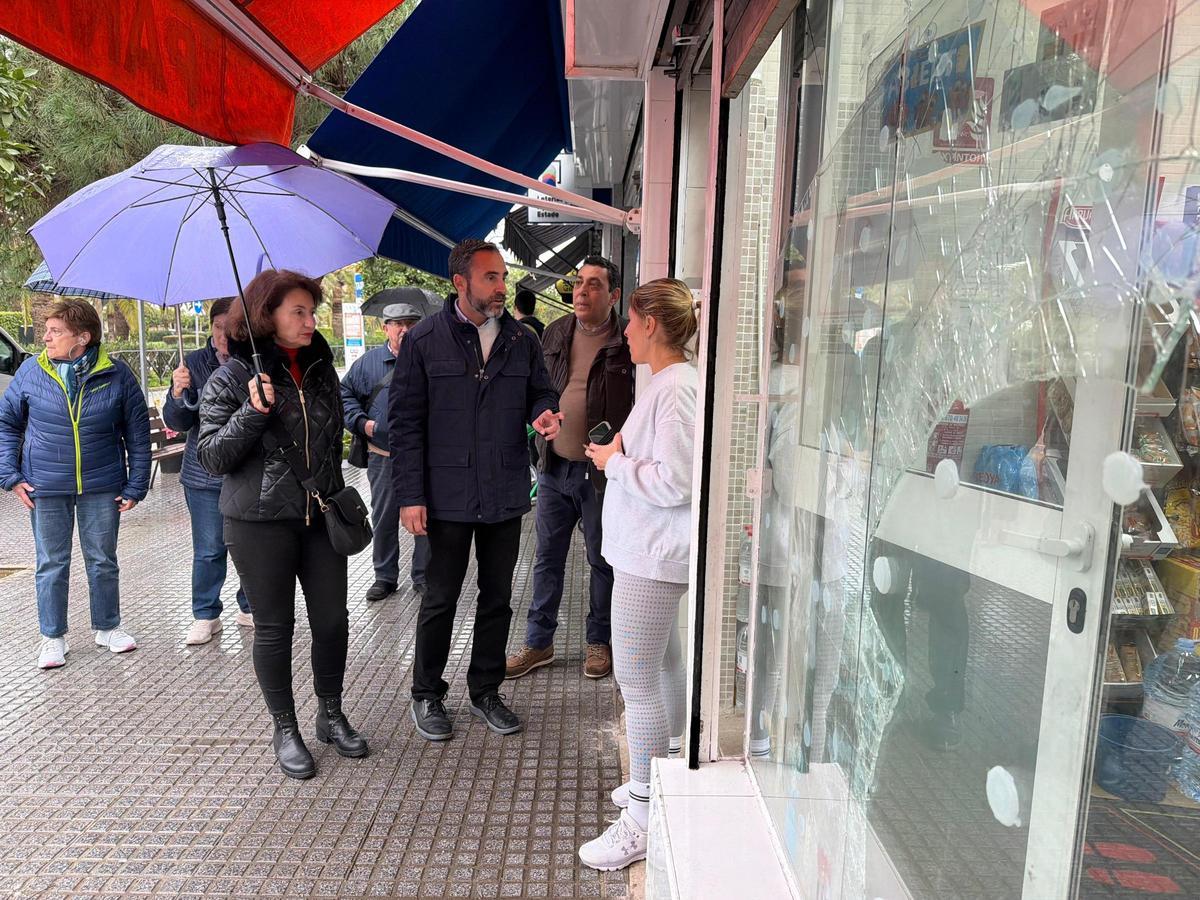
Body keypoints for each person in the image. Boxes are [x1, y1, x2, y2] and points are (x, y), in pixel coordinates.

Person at [197, 269, 367, 779]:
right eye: (299, 312)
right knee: (275, 628)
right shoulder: (230, 376)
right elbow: (210, 456)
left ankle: (330, 714)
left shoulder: (320, 366)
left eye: (313, 312)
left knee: (333, 621)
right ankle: (285, 726)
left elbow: (332, 438)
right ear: (266, 315)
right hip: (259, 522)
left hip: (319, 515)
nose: (311, 321)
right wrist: (252, 410)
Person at [390, 239, 561, 742]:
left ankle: (486, 690)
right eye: (490, 277)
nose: (501, 287)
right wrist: (410, 495)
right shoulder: (424, 341)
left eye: (503, 277)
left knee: (498, 596)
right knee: (440, 597)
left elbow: (542, 390)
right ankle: (426, 694)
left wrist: (543, 411)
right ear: (459, 282)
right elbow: (405, 425)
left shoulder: (521, 340)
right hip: (443, 497)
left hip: (505, 489)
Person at [579, 278, 699, 871]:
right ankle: (665, 772)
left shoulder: (675, 389)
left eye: (630, 319)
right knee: (663, 664)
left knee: (636, 678)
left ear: (651, 322)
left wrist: (615, 463)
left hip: (651, 556)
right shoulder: (673, 384)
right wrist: (615, 458)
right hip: (651, 552)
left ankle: (646, 814)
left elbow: (677, 480)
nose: (624, 330)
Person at [0, 299, 150, 669]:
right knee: (51, 563)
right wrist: (11, 476)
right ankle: (52, 637)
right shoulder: (31, 372)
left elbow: (138, 434)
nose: (45, 337)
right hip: (45, 486)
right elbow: (7, 424)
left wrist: (136, 486)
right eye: (46, 330)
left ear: (82, 337)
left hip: (101, 483)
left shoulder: (117, 374)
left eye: (55, 331)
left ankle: (108, 627)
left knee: (102, 560)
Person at [506, 256, 633, 681]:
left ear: (613, 295)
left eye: (594, 284)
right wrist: (537, 416)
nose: (582, 291)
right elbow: (536, 389)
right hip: (555, 467)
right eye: (579, 282)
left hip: (602, 476)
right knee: (547, 559)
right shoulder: (557, 332)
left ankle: (599, 641)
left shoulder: (627, 341)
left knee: (601, 559)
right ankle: (538, 643)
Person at [164, 298, 253, 645]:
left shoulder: (254, 360)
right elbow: (177, 421)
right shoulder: (193, 363)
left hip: (245, 469)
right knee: (209, 548)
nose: (222, 335)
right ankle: (205, 613)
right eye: (217, 327)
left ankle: (249, 605)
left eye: (229, 328)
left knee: (248, 545)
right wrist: (177, 391)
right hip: (203, 473)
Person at [341, 301, 429, 603]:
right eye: (397, 323)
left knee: (426, 516)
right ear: (385, 328)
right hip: (384, 455)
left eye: (411, 322)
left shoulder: (431, 357)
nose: (404, 329)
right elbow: (344, 395)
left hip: (424, 455)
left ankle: (424, 575)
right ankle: (385, 576)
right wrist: (362, 424)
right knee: (384, 516)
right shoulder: (368, 363)